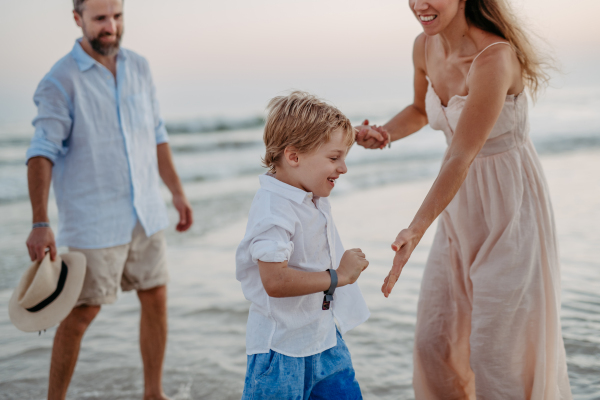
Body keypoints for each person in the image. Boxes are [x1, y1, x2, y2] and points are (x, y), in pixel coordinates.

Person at [356, 0, 572, 398]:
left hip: (509, 207)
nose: (420, 5)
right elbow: (422, 110)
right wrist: (385, 132)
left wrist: (415, 228)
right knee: (435, 342)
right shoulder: (424, 46)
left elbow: (461, 153)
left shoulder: (495, 58)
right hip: (459, 208)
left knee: (497, 353)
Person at [24, 0, 193, 399]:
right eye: (100, 18)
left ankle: (153, 393)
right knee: (81, 313)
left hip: (145, 214)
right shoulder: (59, 81)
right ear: (77, 18)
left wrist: (177, 193)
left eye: (117, 17)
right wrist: (39, 221)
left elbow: (156, 135)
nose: (111, 27)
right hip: (95, 219)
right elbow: (40, 152)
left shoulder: (139, 67)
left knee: (156, 297)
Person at [236, 92, 370, 399]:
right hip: (280, 351)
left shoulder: (307, 191)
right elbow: (275, 280)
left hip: (324, 339)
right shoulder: (273, 208)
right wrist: (340, 276)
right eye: (334, 158)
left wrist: (355, 134)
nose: (344, 168)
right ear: (293, 157)